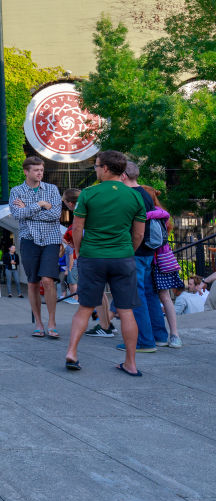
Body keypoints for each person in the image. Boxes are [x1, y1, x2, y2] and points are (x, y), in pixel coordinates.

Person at [63, 150, 146, 375]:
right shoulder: (135, 196)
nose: (96, 170)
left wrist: (79, 252)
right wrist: (128, 250)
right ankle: (131, 363)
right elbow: (138, 234)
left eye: (97, 166)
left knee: (84, 308)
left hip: (93, 256)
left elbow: (77, 228)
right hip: (123, 257)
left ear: (106, 168)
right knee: (126, 310)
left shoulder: (88, 194)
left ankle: (72, 351)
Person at [9, 156, 63, 339]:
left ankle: (52, 322)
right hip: (29, 240)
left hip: (51, 239)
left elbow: (56, 214)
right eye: (35, 170)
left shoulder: (52, 189)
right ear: (26, 171)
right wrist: (40, 205)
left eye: (41, 170)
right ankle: (38, 323)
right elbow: (17, 214)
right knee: (32, 282)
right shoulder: (16, 191)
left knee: (48, 280)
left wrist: (29, 210)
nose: (39, 173)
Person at [118, 162, 164, 352]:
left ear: (123, 176)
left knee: (136, 297)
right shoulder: (145, 193)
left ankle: (145, 341)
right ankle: (159, 336)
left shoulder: (130, 195)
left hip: (136, 250)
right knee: (149, 294)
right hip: (147, 251)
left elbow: (133, 228)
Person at [142, 184, 182, 348]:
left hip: (152, 260)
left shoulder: (147, 215)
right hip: (164, 260)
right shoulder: (162, 215)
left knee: (148, 296)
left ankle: (158, 334)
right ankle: (174, 335)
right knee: (165, 297)